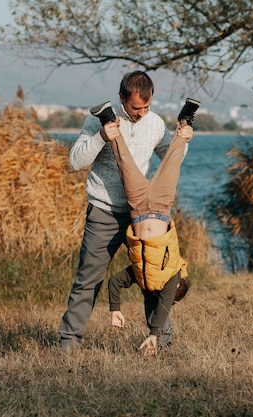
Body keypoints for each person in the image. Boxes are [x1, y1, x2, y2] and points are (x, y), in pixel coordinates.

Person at [57, 70, 193, 351]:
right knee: (88, 279)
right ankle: (68, 343)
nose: (142, 112)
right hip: (104, 212)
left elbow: (170, 159)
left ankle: (162, 344)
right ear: (122, 99)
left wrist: (185, 139)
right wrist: (101, 138)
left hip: (140, 213)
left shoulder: (154, 123)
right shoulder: (96, 123)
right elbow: (75, 161)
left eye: (147, 106)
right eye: (135, 107)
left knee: (154, 276)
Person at [90, 96, 199, 356]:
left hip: (138, 208)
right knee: (173, 161)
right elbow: (162, 307)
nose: (160, 294)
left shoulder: (140, 274)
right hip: (161, 206)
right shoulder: (171, 275)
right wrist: (153, 335)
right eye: (168, 295)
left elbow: (115, 283)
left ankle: (107, 119)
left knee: (124, 163)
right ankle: (185, 122)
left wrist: (115, 309)